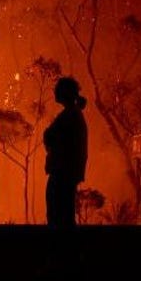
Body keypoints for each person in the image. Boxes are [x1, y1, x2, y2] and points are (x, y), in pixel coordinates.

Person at [43, 77, 87, 229]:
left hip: (63, 172)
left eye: (57, 88)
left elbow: (51, 136)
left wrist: (49, 137)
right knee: (64, 215)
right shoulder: (73, 114)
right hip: (66, 172)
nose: (54, 91)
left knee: (59, 216)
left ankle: (62, 249)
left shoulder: (70, 115)